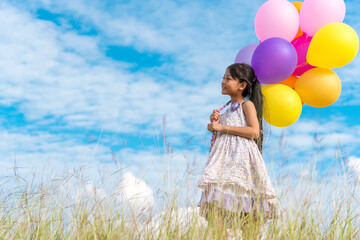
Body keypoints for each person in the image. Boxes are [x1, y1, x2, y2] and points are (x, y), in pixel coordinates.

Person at [198, 63, 285, 239]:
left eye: (228, 78)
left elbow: (254, 131)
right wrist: (214, 124)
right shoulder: (225, 111)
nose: (223, 82)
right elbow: (221, 133)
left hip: (242, 167)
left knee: (248, 218)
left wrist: (222, 127)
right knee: (217, 218)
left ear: (242, 85)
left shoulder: (247, 105)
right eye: (223, 78)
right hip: (225, 168)